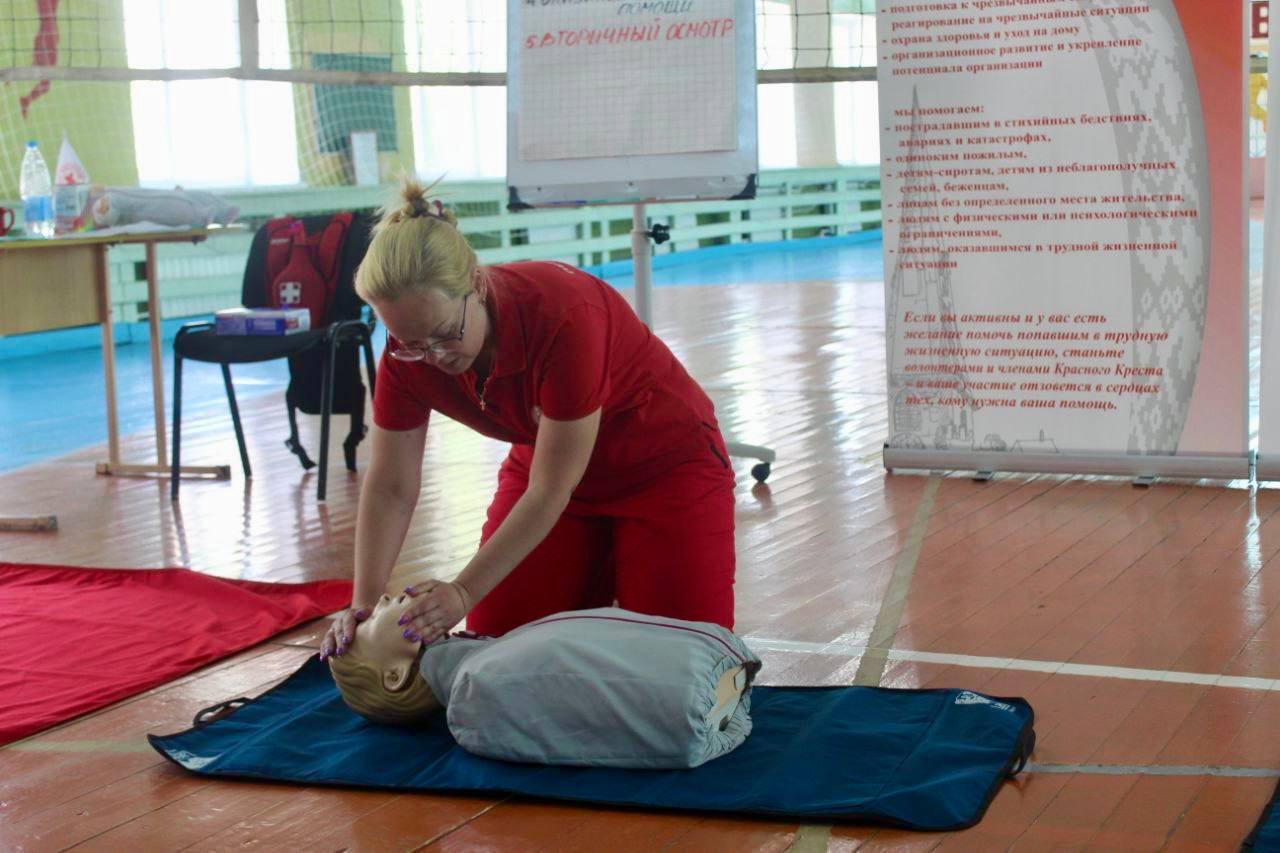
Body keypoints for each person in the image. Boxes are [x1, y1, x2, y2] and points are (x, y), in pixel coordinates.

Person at [319, 178, 736, 661]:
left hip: (662, 467)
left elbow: (549, 489)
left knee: (685, 665)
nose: (430, 356)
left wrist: (462, 592)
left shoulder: (562, 314)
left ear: (476, 285)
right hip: (548, 465)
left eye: (442, 334)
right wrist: (364, 606)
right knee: (494, 653)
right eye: (408, 341)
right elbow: (391, 485)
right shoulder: (405, 358)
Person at [327, 590, 760, 768]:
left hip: (711, 674)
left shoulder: (484, 660)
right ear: (396, 674)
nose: (380, 598)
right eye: (371, 620)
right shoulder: (476, 688)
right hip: (698, 694)